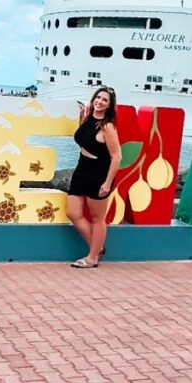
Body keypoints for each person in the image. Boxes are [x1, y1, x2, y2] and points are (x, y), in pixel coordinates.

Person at [66, 85, 121, 268]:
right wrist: (82, 114)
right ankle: (97, 248)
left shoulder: (107, 126)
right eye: (98, 98)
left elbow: (116, 157)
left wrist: (107, 183)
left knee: (98, 218)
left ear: (109, 105)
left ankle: (92, 258)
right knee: (73, 213)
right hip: (81, 169)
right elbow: (83, 138)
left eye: (104, 100)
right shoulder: (88, 118)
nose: (100, 102)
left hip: (98, 173)